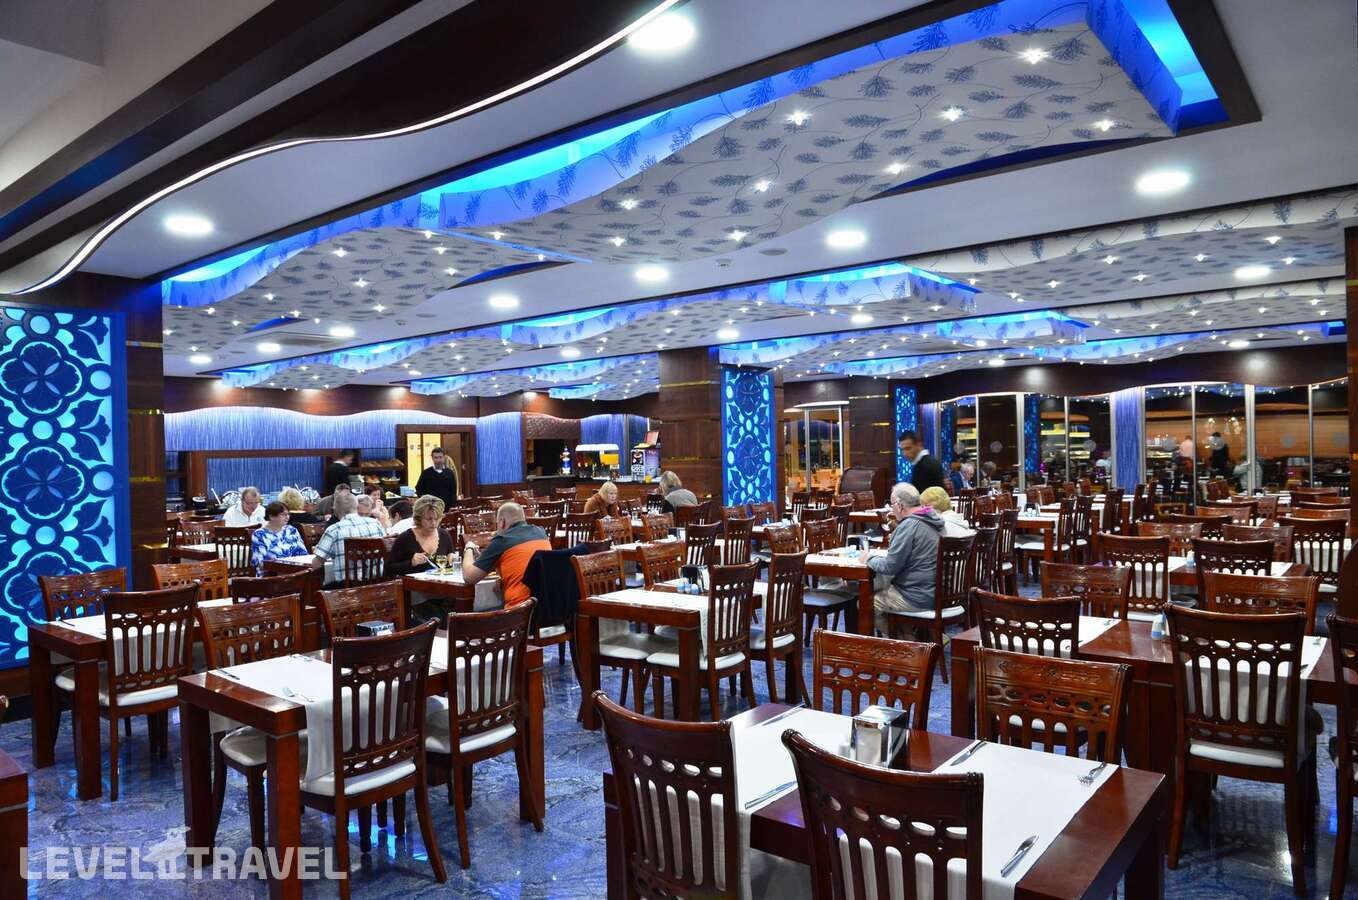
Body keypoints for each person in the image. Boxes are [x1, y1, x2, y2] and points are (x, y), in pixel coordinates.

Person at [862, 483, 946, 634]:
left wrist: (869, 558)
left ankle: (908, 645)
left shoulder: (909, 526)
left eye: (892, 504)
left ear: (900, 506)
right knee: (888, 593)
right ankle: (917, 642)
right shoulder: (935, 520)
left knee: (866, 604)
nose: (891, 509)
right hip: (939, 592)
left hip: (916, 596)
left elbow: (890, 566)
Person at [461, 501, 552, 606]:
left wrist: (469, 547)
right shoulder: (541, 533)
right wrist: (504, 579)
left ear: (502, 522)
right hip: (547, 605)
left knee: (484, 609)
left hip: (519, 609)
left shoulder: (502, 540)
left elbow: (469, 577)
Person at [313, 490, 386, 581]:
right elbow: (386, 550)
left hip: (347, 587)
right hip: (379, 583)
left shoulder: (334, 530)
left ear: (335, 509)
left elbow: (317, 563)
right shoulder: (376, 524)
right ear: (356, 506)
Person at [387, 495, 454, 578]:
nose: (433, 523)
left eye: (437, 519)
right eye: (428, 519)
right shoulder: (406, 538)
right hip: (413, 583)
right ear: (419, 518)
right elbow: (389, 569)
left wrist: (452, 560)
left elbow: (450, 559)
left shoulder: (444, 535)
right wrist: (411, 562)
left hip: (440, 582)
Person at [250, 501, 308, 574]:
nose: (287, 517)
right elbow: (259, 562)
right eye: (283, 515)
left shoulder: (291, 530)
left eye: (288, 514)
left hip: (295, 573)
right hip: (270, 575)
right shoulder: (259, 534)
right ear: (271, 516)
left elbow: (304, 554)